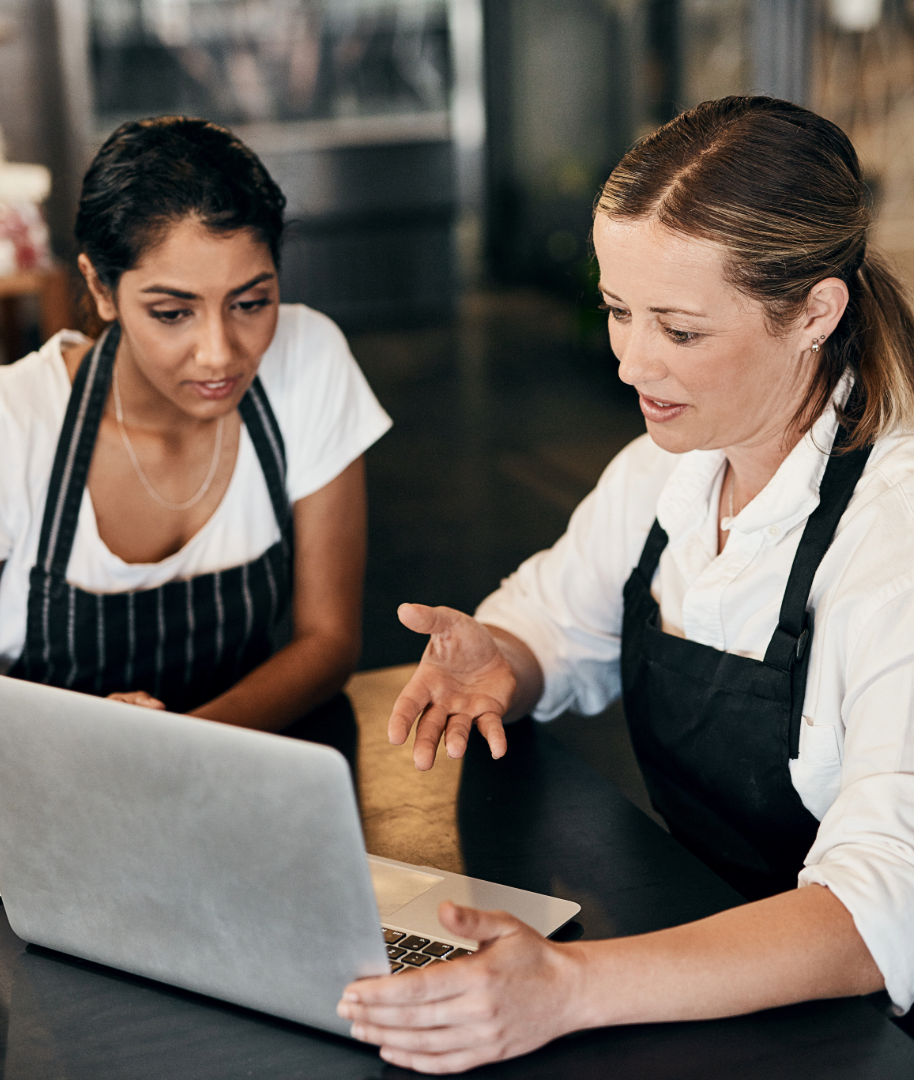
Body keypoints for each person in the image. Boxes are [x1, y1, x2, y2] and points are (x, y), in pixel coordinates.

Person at [338, 96, 914, 1072]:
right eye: (616, 310)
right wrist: (504, 659)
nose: (630, 362)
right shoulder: (674, 462)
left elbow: (879, 914)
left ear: (816, 311)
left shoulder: (894, 538)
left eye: (680, 331)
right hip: (717, 969)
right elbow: (558, 611)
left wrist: (569, 989)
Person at [0, 117, 391, 746]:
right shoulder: (7, 420)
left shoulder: (309, 359)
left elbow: (329, 641)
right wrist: (80, 745)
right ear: (102, 288)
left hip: (239, 765)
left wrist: (172, 750)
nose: (219, 353)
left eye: (251, 303)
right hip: (50, 772)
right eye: (173, 313)